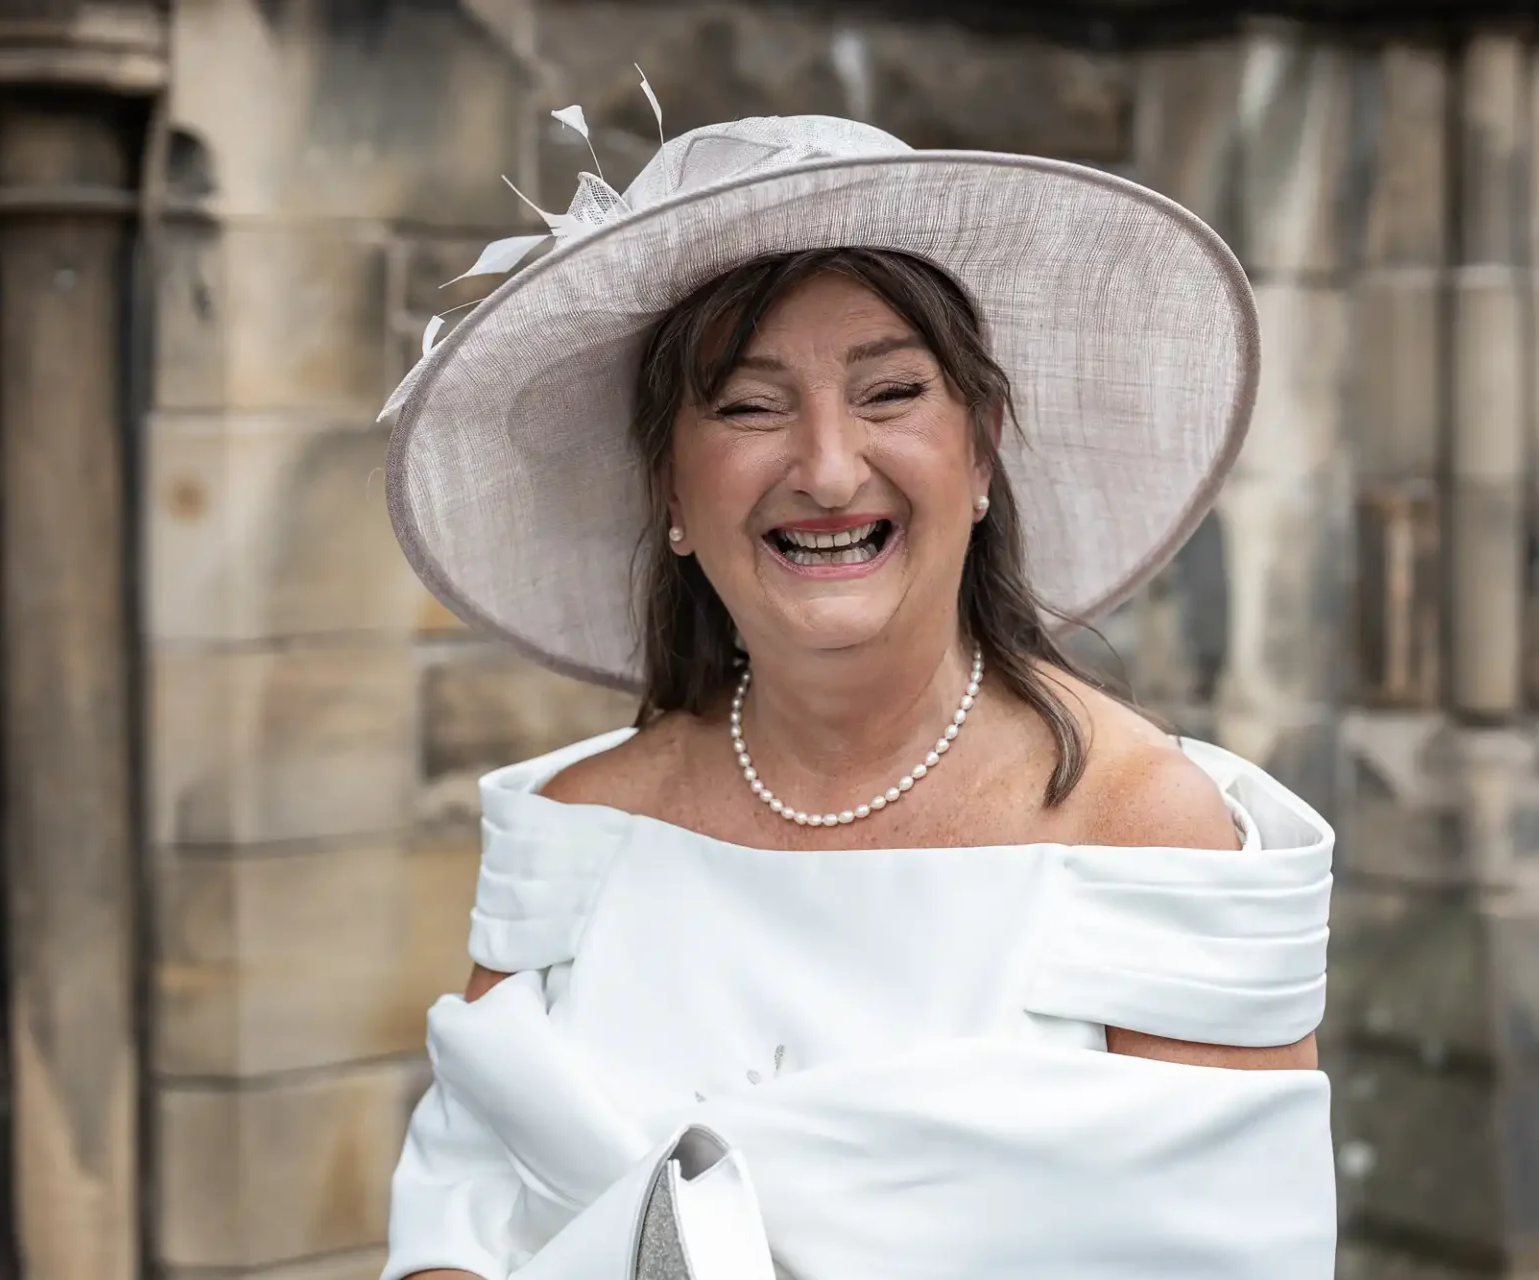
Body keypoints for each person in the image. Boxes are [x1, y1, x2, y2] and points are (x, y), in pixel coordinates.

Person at [379, 106, 1335, 1280]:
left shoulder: (1153, 840)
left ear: (980, 451)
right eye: (747, 403)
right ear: (672, 490)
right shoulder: (576, 839)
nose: (829, 469)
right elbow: (458, 1233)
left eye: (889, 394)